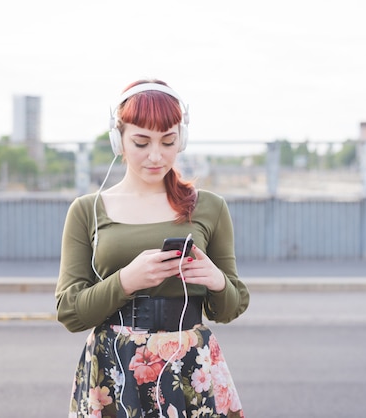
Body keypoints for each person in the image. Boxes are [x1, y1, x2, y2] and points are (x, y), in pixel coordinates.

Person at [55, 79, 250, 418]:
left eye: (169, 141)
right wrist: (126, 281)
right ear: (118, 140)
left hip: (190, 366)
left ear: (182, 139)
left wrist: (217, 281)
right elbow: (70, 312)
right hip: (115, 367)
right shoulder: (87, 210)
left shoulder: (210, 207)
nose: (156, 156)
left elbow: (231, 307)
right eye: (141, 143)